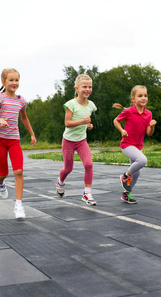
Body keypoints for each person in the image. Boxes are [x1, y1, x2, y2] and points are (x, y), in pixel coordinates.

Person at [0, 68, 37, 219]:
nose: (14, 83)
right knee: (4, 173)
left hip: (14, 140)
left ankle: (18, 205)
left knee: (19, 171)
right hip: (0, 140)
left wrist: (32, 134)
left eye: (16, 80)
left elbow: (24, 118)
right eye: (11, 80)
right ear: (3, 82)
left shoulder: (21, 100)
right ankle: (0, 182)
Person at [56, 74, 97, 205]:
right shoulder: (71, 104)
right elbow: (67, 123)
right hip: (68, 141)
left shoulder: (91, 105)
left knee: (89, 164)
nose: (87, 89)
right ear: (77, 88)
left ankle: (87, 193)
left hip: (81, 141)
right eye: (84, 86)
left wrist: (88, 125)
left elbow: (86, 122)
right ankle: (60, 182)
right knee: (68, 169)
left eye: (90, 87)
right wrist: (82, 121)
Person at [113, 85, 157, 204]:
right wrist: (122, 131)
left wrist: (152, 126)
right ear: (133, 99)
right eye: (140, 96)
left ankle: (126, 194)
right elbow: (116, 120)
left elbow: (149, 133)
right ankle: (125, 176)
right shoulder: (128, 111)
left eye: (145, 96)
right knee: (142, 161)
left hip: (138, 146)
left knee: (137, 173)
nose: (143, 98)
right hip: (127, 145)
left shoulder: (148, 114)